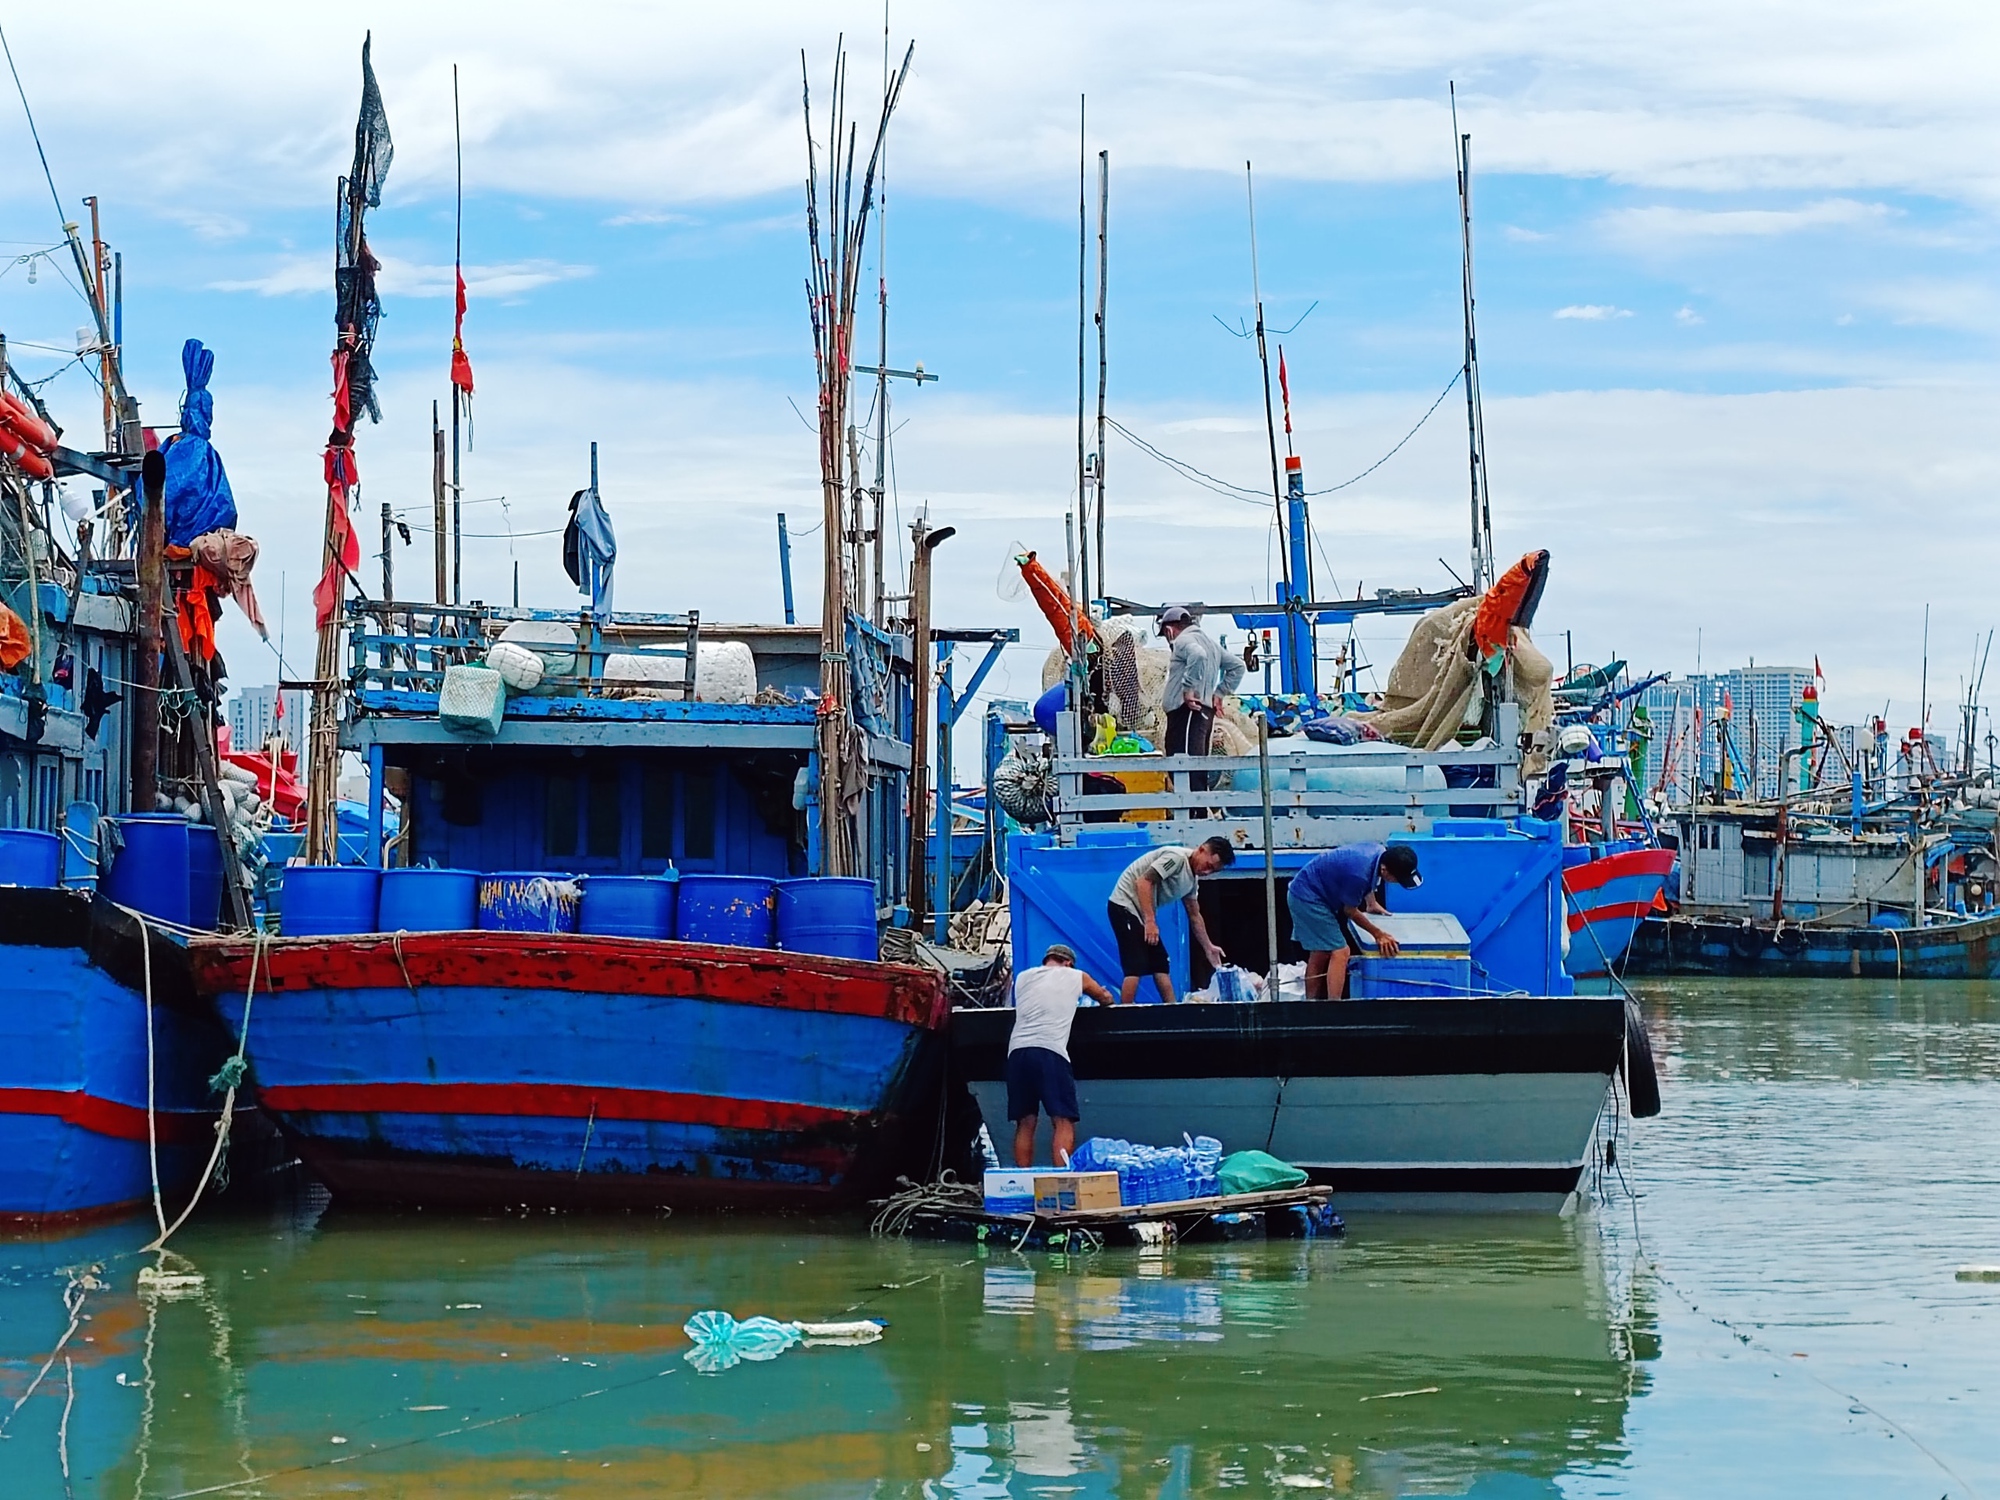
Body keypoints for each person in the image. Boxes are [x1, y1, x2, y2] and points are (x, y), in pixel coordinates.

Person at [1007, 943, 1113, 1167]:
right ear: (1068, 963)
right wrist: (1106, 997)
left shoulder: (1024, 977)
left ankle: (1023, 1182)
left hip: (1017, 1053)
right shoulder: (1076, 976)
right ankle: (1063, 1182)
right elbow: (1104, 998)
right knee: (1063, 1122)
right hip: (1050, 1051)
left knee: (1025, 1123)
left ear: (1047, 959)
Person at [1107, 836, 1235, 1004]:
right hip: (1123, 905)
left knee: (1160, 962)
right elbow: (1143, 882)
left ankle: (1172, 1008)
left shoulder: (1191, 880)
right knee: (1135, 964)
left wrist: (1208, 946)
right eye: (1208, 866)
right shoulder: (1176, 859)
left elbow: (1194, 914)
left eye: (1213, 871)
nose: (1206, 872)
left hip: (1140, 913)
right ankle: (1124, 1012)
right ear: (1202, 849)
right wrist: (1150, 921)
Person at [1287, 842, 1423, 1000]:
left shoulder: (1379, 852)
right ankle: (1334, 1007)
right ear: (1385, 871)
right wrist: (1378, 934)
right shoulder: (1359, 875)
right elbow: (1349, 910)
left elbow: (1369, 880)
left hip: (1313, 890)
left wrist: (1371, 903)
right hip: (1308, 899)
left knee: (1320, 951)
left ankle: (1310, 1004)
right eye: (1398, 879)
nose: (1398, 882)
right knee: (1341, 952)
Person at [1156, 606, 1245, 792]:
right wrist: (1219, 693)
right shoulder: (1212, 644)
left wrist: (1188, 690)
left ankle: (1191, 813)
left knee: (1183, 764)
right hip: (1203, 712)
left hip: (1186, 711)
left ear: (1169, 630)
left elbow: (1197, 655)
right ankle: (1198, 812)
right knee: (1197, 763)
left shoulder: (1183, 641)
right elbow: (1238, 666)